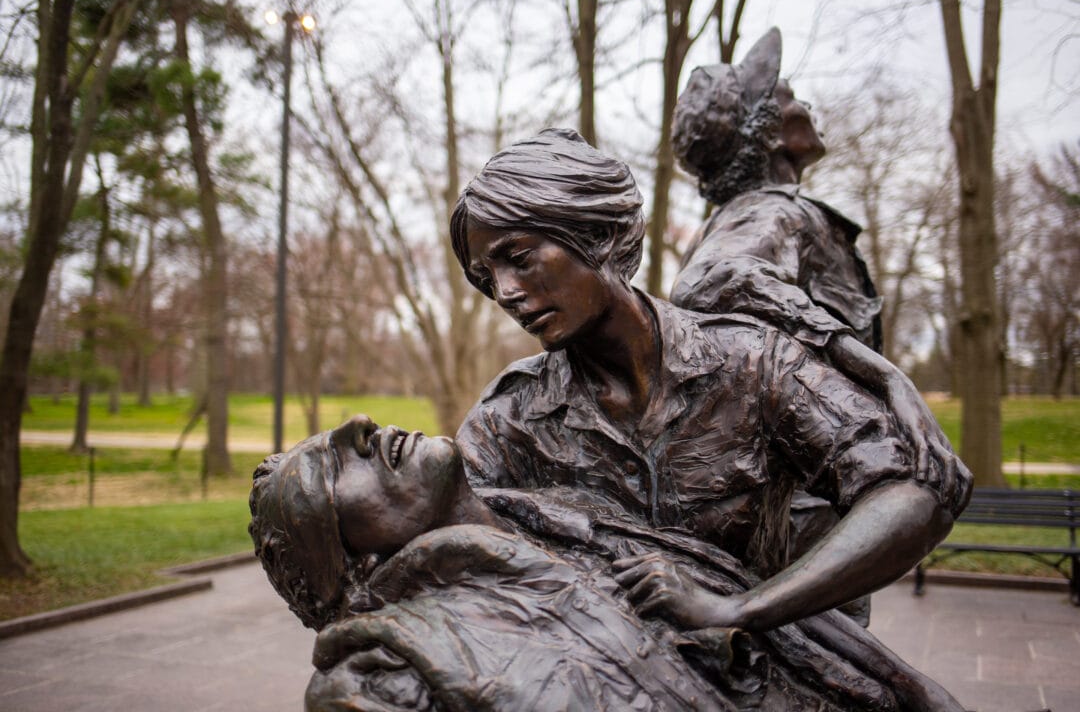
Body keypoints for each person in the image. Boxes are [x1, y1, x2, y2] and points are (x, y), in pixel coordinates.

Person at [450, 127, 971, 633]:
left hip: (754, 669)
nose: (505, 292)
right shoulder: (508, 418)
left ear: (600, 236)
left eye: (519, 259)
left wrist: (738, 609)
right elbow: (444, 531)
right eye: (485, 278)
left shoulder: (752, 363)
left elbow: (913, 492)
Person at [250, 415, 965, 711]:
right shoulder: (376, 678)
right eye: (330, 468)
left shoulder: (572, 513)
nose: (358, 426)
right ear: (349, 568)